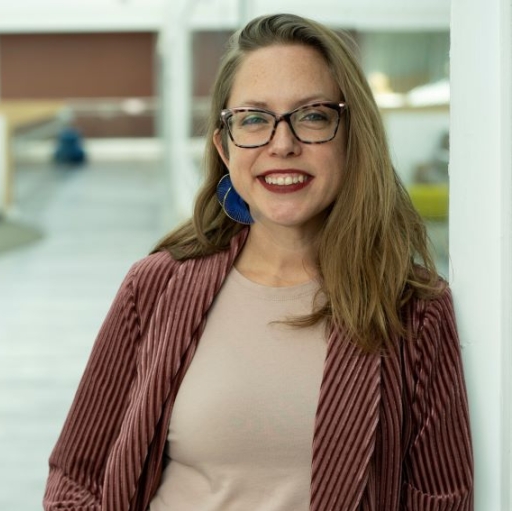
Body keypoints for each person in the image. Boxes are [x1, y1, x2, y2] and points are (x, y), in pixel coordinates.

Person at [43, 13, 473, 511]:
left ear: (353, 137)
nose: (282, 144)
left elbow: (440, 499)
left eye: (313, 116)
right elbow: (77, 477)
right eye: (253, 119)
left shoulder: (414, 310)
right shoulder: (155, 287)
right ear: (224, 147)